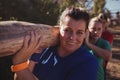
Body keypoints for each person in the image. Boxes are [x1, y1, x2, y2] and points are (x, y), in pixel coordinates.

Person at [11, 7, 98, 80]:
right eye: (67, 30)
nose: (72, 37)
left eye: (79, 32)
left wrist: (20, 64)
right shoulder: (44, 48)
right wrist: (31, 58)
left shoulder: (88, 62)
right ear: (59, 28)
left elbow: (22, 71)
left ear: (86, 33)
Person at [98, 13, 113, 79]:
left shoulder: (108, 35)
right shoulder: (92, 32)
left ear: (106, 23)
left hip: (102, 63)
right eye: (100, 21)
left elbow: (107, 51)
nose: (102, 23)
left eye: (104, 22)